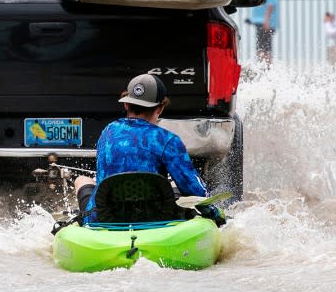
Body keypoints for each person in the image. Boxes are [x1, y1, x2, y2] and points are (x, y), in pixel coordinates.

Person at [73, 74, 224, 225]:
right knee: (172, 184)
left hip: (105, 217)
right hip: (155, 217)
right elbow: (195, 191)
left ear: (126, 105)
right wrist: (216, 217)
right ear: (160, 108)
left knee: (82, 180)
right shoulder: (167, 139)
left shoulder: (108, 131)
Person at [248, 0, 279, 65]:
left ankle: (265, 70)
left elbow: (271, 4)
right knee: (262, 47)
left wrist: (266, 20)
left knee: (263, 49)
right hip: (261, 21)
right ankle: (264, 69)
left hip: (265, 22)